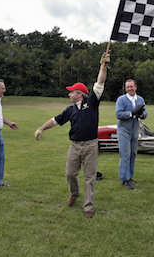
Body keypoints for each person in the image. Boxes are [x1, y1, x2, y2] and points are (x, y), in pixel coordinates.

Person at [34, 52, 110, 219]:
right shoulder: (70, 110)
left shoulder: (91, 102)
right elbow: (55, 120)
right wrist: (41, 128)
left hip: (90, 145)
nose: (69, 94)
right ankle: (74, 194)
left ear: (80, 94)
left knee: (90, 178)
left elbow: (100, 83)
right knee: (70, 174)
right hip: (74, 146)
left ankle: (88, 206)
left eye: (71, 92)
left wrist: (103, 66)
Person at [116, 79, 147, 190]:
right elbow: (118, 114)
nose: (129, 89)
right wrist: (132, 113)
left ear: (135, 87)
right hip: (124, 130)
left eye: (131, 86)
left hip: (135, 130)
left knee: (133, 154)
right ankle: (124, 179)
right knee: (125, 155)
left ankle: (130, 176)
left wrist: (141, 113)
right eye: (127, 87)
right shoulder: (121, 99)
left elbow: (145, 115)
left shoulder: (140, 99)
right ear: (125, 88)